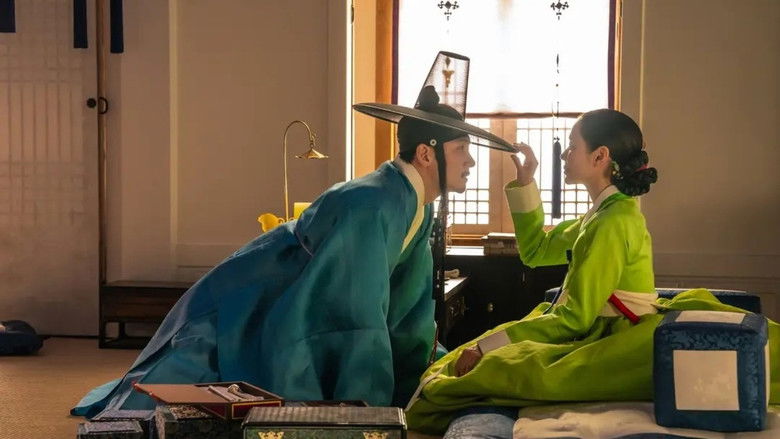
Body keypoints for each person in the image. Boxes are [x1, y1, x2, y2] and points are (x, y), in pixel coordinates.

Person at [72, 51, 516, 419]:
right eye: (462, 150)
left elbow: (407, 305)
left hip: (301, 286)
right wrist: (372, 408)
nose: (470, 162)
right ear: (426, 154)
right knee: (220, 382)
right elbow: (355, 316)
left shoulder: (416, 203)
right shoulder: (372, 203)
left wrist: (423, 372)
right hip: (266, 290)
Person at [405, 109, 780, 437]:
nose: (564, 154)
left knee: (498, 366)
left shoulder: (614, 221)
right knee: (487, 356)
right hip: (594, 328)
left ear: (601, 156)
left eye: (572, 146)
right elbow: (536, 251)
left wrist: (487, 347)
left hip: (620, 339)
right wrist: (526, 180)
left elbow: (575, 318)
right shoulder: (601, 215)